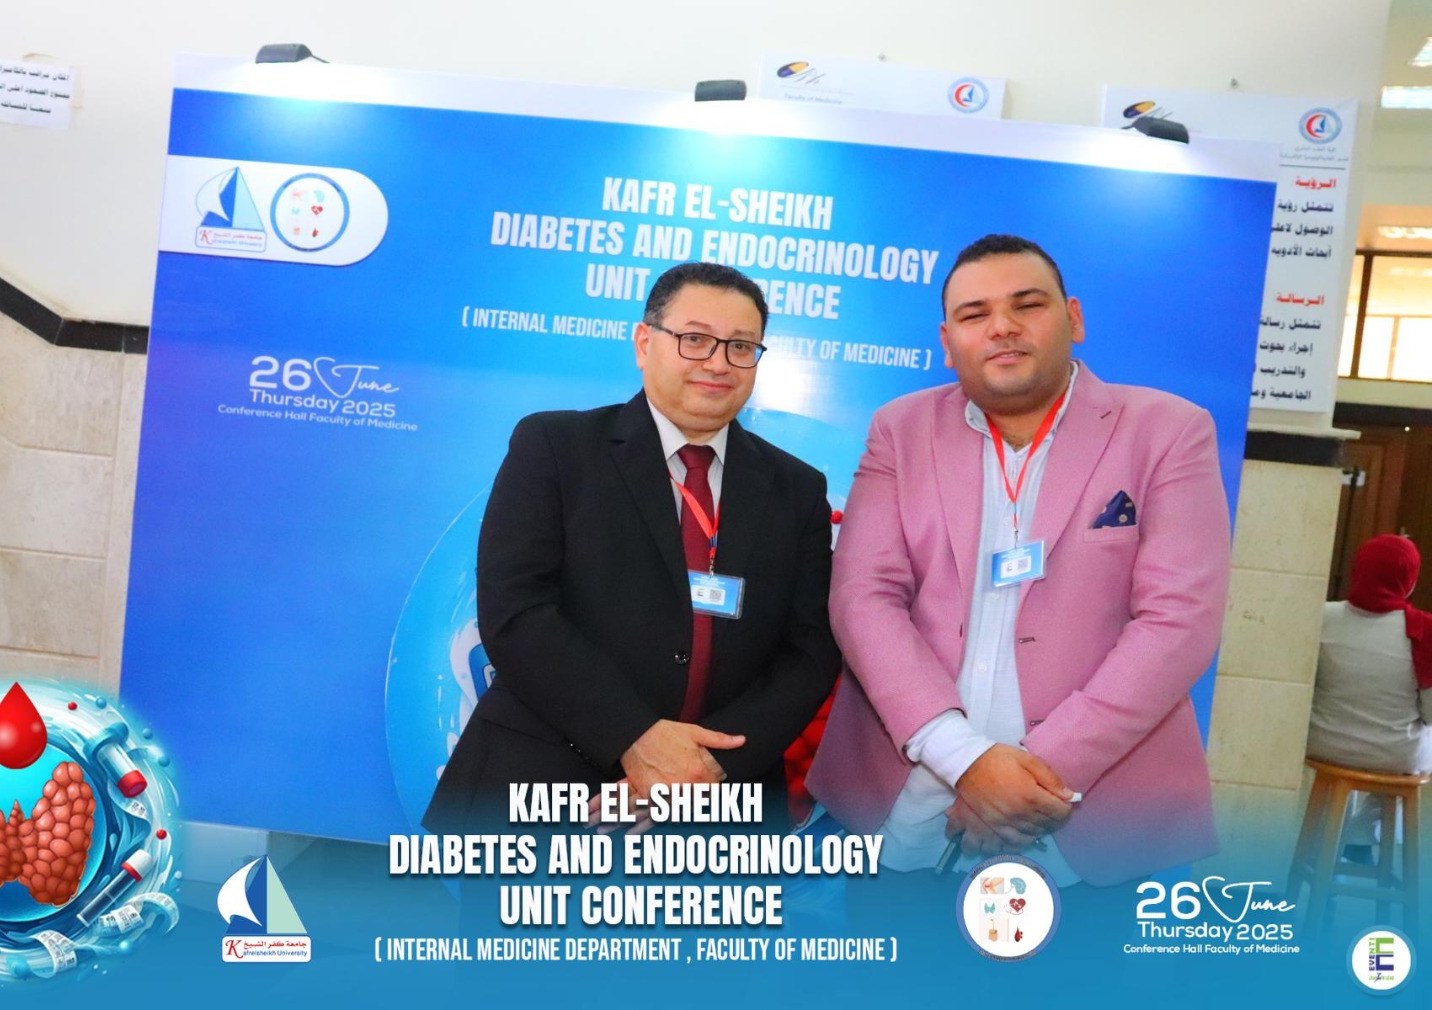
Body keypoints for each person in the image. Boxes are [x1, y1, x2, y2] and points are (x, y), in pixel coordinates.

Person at [807, 234, 1232, 893]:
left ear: (1074, 318)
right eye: (974, 314)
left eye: (1027, 305)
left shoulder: (1167, 430)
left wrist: (1027, 781)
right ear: (947, 342)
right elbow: (863, 597)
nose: (1002, 326)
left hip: (1087, 824)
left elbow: (1179, 622)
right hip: (910, 813)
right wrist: (966, 761)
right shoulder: (900, 429)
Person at [423, 262, 840, 837]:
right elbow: (517, 611)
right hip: (543, 786)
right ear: (645, 343)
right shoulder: (556, 447)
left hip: (719, 806)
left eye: (741, 346)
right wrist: (637, 738)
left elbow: (809, 650)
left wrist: (703, 767)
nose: (718, 362)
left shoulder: (796, 488)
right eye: (695, 339)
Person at [1307, 534, 1432, 860]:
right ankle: (1362, 832)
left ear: (1357, 570)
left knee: (1345, 756)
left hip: (1323, 743)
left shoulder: (1321, 616)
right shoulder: (1423, 631)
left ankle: (1326, 843)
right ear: (1409, 581)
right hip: (1394, 755)